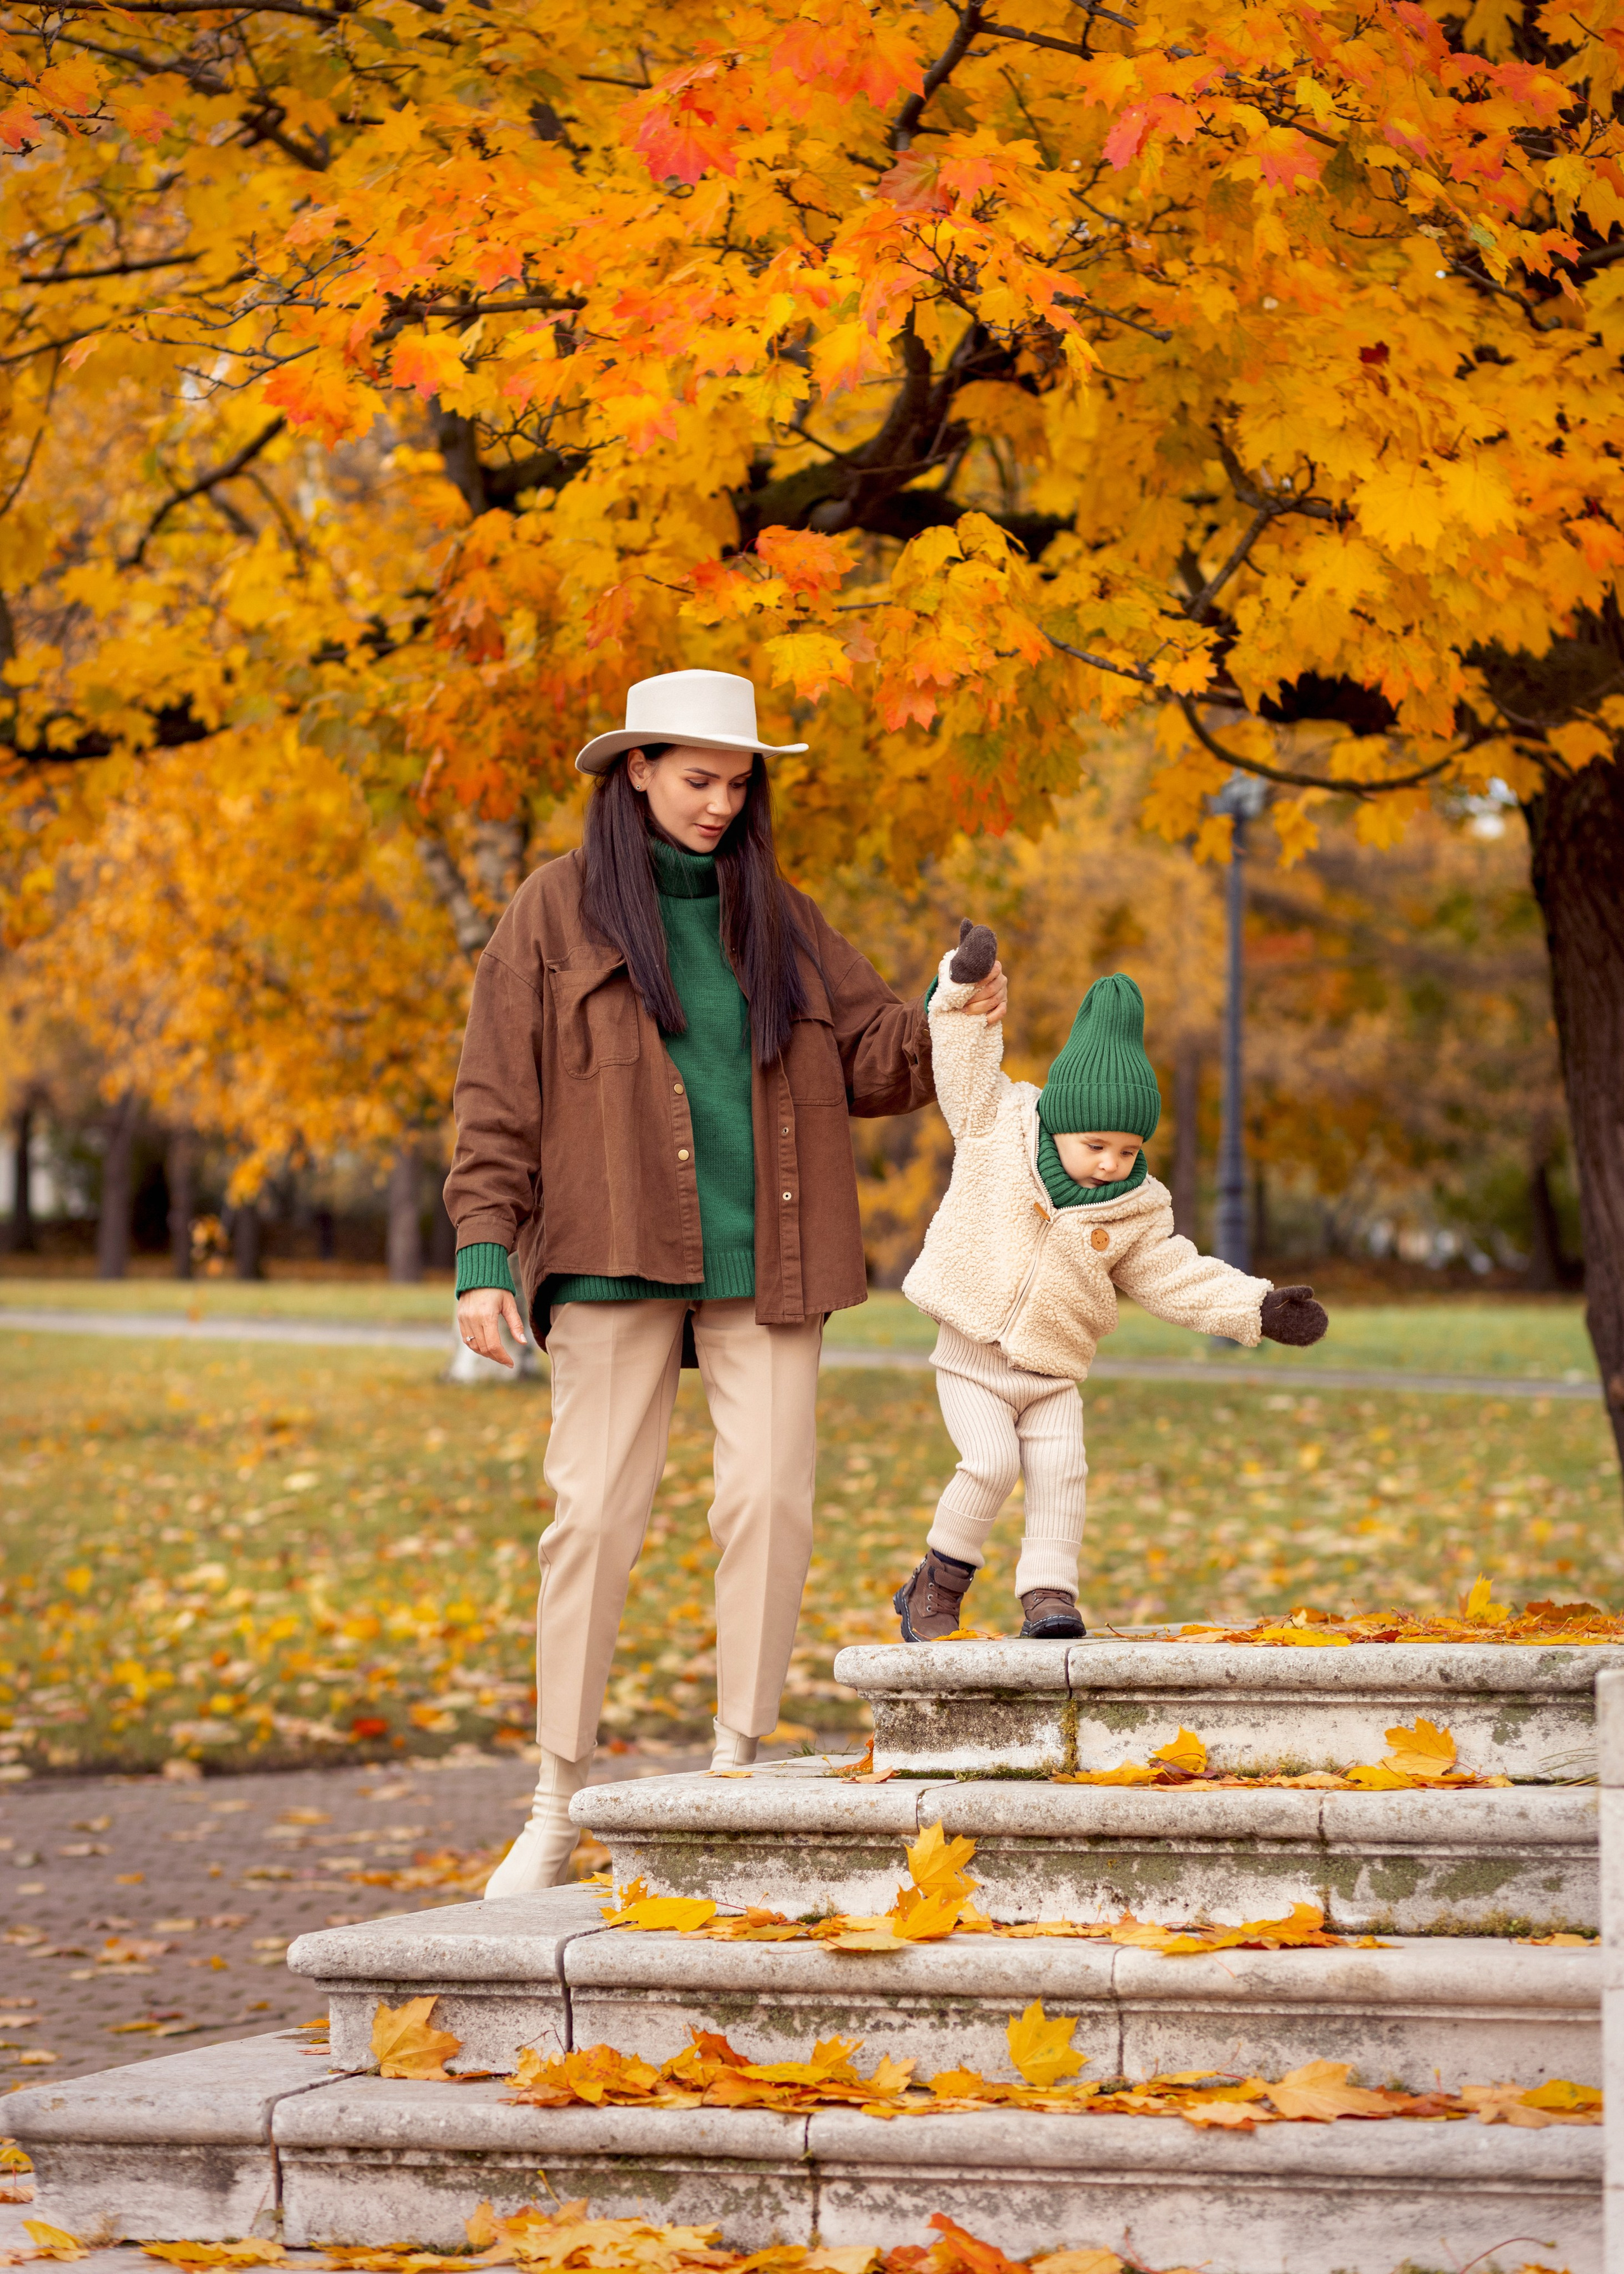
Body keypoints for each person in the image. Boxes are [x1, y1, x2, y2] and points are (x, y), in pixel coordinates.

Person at [446, 670, 1007, 1894]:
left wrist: (952, 1009)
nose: (719, 801)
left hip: (774, 1251)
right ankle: (553, 1801)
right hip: (610, 1243)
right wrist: (484, 1253)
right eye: (698, 777)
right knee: (592, 1518)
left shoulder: (780, 913)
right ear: (635, 768)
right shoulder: (553, 912)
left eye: (738, 781)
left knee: (770, 1501)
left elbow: (877, 1054)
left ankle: (734, 1770)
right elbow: (496, 1093)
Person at [893, 927, 1327, 1644]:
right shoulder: (993, 1124)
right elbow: (962, 1051)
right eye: (1095, 1146)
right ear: (1060, 1121)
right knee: (992, 1462)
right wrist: (962, 984)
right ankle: (936, 1584)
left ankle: (1048, 1594)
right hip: (971, 1354)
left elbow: (1175, 1274)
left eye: (1127, 1150)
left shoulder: (1135, 1207)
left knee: (1063, 1472)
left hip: (1053, 1369)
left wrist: (1256, 1305)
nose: (1109, 1163)